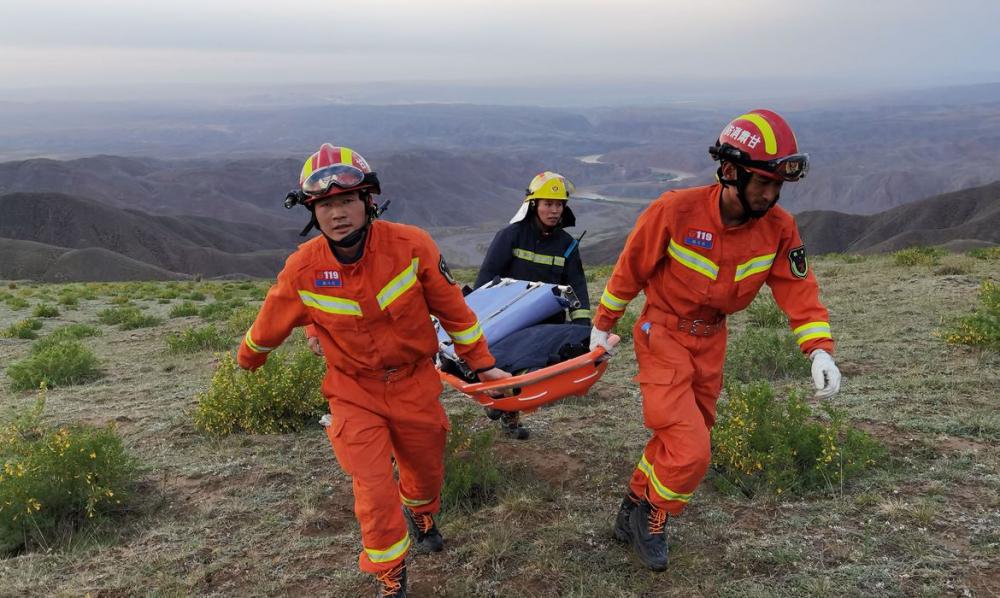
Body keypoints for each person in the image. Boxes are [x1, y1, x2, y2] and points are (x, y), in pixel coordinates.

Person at [237, 143, 510, 597]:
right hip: (352, 392)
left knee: (423, 475)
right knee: (373, 487)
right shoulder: (303, 268)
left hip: (414, 384)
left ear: (368, 202)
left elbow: (454, 312)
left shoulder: (411, 245)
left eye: (346, 201)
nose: (337, 214)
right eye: (325, 205)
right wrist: (248, 359)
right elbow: (271, 321)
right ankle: (390, 575)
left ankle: (421, 513)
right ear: (312, 211)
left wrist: (483, 367)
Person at [589, 110, 842, 571]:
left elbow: (797, 289)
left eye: (776, 186)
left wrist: (819, 348)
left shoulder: (780, 227)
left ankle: (630, 508)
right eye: (761, 182)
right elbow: (631, 269)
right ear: (730, 172)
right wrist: (603, 324)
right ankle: (654, 517)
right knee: (691, 450)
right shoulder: (675, 210)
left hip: (712, 342)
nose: (770, 194)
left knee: (681, 438)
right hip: (661, 333)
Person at [472, 171, 591, 439]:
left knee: (529, 371)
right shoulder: (510, 236)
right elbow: (485, 281)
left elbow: (578, 286)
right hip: (509, 319)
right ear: (533, 204)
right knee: (507, 366)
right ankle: (505, 411)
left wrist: (582, 327)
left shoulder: (567, 245)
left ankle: (507, 410)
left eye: (559, 204)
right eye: (548, 203)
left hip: (547, 323)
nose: (554, 210)